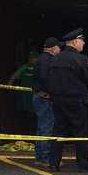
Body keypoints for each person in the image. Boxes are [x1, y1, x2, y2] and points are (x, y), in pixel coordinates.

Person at [47, 28, 88, 172]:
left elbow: (47, 80)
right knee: (80, 133)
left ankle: (54, 163)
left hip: (58, 101)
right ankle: (83, 165)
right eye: (82, 40)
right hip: (77, 101)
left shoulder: (55, 58)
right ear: (75, 41)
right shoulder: (81, 59)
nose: (83, 43)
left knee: (58, 132)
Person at [31, 37, 59, 166]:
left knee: (40, 127)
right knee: (47, 127)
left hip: (37, 96)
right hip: (45, 97)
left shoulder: (39, 60)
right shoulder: (49, 60)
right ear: (53, 48)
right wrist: (50, 92)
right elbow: (45, 77)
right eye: (58, 47)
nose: (60, 49)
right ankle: (46, 158)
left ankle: (39, 156)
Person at [8, 49, 39, 134]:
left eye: (34, 58)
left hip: (37, 97)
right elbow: (13, 77)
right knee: (26, 118)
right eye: (30, 57)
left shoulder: (39, 68)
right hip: (25, 98)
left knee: (36, 119)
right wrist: (9, 86)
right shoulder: (24, 68)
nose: (31, 59)